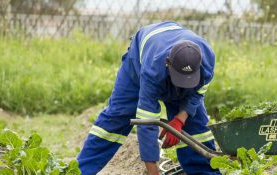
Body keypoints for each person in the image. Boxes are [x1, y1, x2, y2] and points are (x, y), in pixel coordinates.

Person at [77, 21, 220, 175]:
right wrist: (153, 172)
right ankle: (79, 171)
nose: (183, 86)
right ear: (167, 63)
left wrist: (180, 119)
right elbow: (147, 123)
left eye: (189, 79)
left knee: (194, 126)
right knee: (117, 117)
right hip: (138, 61)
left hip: (171, 53)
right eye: (180, 79)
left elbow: (197, 93)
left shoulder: (206, 61)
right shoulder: (153, 70)